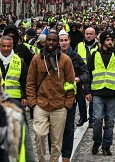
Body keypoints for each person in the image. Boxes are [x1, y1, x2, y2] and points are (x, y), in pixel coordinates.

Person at [26, 31, 75, 162]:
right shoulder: (37, 59)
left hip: (59, 106)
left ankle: (53, 160)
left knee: (56, 140)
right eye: (49, 40)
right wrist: (33, 102)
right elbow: (30, 82)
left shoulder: (66, 60)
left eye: (54, 40)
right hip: (40, 104)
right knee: (39, 135)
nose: (51, 43)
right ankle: (41, 160)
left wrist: (67, 105)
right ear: (45, 41)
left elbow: (70, 83)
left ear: (58, 42)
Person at [85, 31, 115, 156]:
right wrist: (87, 91)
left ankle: (106, 146)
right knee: (97, 119)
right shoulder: (94, 55)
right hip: (97, 92)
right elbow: (88, 74)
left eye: (111, 40)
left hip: (112, 93)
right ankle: (97, 141)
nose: (110, 42)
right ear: (102, 42)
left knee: (110, 121)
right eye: (107, 40)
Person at [58, 30, 89, 162]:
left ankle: (66, 156)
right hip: (55, 97)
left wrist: (79, 79)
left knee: (69, 128)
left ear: (69, 41)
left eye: (66, 40)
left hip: (71, 97)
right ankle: (55, 153)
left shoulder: (75, 57)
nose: (64, 43)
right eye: (61, 40)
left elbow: (86, 73)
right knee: (55, 128)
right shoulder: (53, 56)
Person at [0, 35, 27, 105]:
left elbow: (24, 81)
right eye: (3, 46)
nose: (6, 48)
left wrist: (25, 97)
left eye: (8, 46)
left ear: (12, 46)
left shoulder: (19, 60)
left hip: (14, 98)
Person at [75, 27, 98, 127]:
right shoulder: (79, 46)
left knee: (93, 98)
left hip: (94, 75)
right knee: (80, 99)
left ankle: (92, 119)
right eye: (87, 33)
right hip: (82, 75)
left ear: (95, 35)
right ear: (84, 34)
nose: (89, 36)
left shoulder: (99, 46)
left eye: (91, 34)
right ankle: (83, 117)